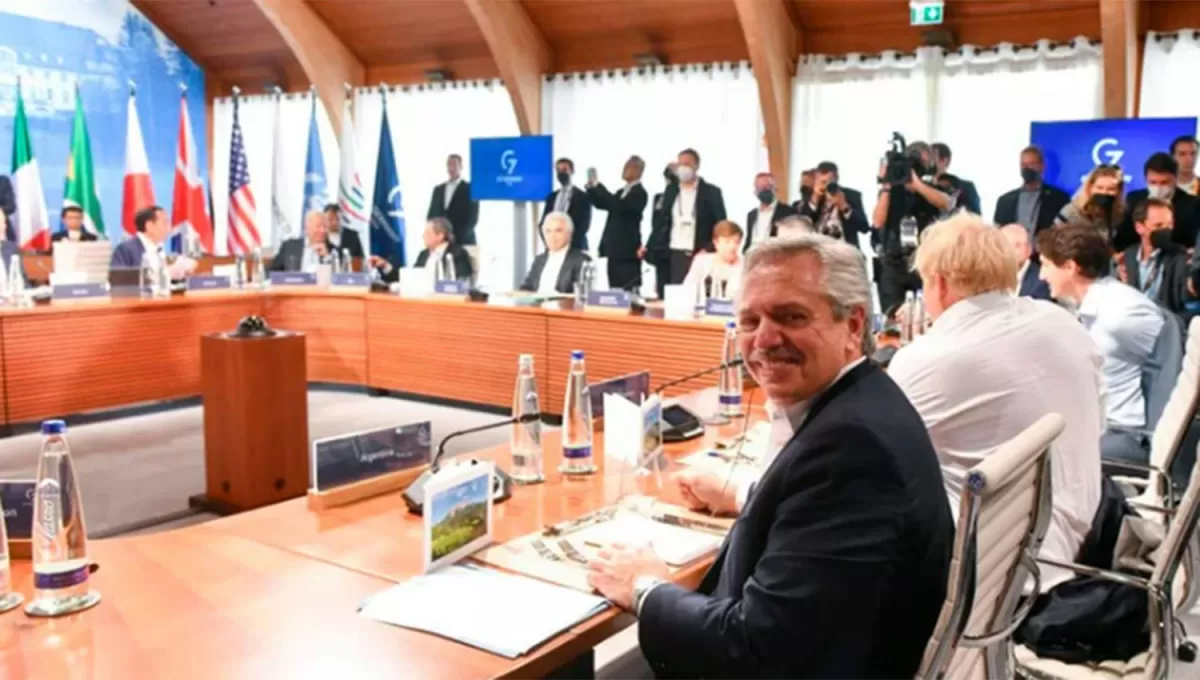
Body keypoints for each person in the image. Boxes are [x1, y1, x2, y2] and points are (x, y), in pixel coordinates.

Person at [590, 234, 953, 678]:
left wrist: (644, 586)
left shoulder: (851, 451)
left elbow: (754, 648)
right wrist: (745, 495)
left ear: (854, 326)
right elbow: (823, 527)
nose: (763, 339)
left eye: (790, 316)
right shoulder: (866, 399)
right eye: (749, 320)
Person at [889, 213, 1102, 589]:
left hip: (997, 578)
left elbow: (871, 462)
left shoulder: (929, 358)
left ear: (938, 282)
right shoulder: (1061, 320)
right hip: (1086, 535)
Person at [1038, 223, 1165, 465]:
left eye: (1046, 265)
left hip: (1126, 433)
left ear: (1070, 266)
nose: (1042, 275)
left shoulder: (1122, 313)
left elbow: (1172, 366)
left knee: (1046, 461)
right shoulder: (1090, 305)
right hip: (1099, 425)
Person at [871, 140, 951, 314]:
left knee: (927, 315)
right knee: (892, 317)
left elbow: (946, 203)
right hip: (893, 263)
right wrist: (886, 186)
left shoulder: (931, 190)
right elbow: (877, 221)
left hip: (924, 264)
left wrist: (918, 186)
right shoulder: (890, 193)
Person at [646, 148, 727, 286]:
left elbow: (720, 224)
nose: (683, 167)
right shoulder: (671, 191)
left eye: (687, 163)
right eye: (680, 164)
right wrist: (649, 245)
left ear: (697, 166)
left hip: (699, 253)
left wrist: (708, 248)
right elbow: (661, 222)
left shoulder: (711, 192)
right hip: (672, 252)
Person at [1117, 198, 1190, 318]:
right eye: (1159, 225)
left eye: (1169, 224)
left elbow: (1185, 305)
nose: (1166, 229)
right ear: (1140, 228)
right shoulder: (1129, 255)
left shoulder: (1179, 256)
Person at [1113, 152, 1200, 251]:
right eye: (1153, 182)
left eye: (1164, 182)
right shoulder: (1133, 199)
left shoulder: (1192, 204)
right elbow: (1124, 237)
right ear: (1146, 179)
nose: (1158, 187)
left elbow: (1194, 242)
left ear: (1175, 179)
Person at [587, 155, 648, 290]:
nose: (624, 170)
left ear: (638, 170)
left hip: (627, 250)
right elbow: (604, 204)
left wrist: (599, 187)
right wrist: (592, 189)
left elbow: (619, 205)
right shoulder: (621, 191)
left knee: (627, 287)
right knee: (614, 287)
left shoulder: (639, 193)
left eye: (628, 167)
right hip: (613, 248)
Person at [993, 145, 1071, 241]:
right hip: (1011, 254)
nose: (1027, 169)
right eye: (1023, 165)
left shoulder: (1059, 199)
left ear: (1042, 166)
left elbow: (1065, 233)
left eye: (1031, 164)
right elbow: (997, 234)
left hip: (1044, 253)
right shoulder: (1005, 201)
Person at [369, 217, 474, 285]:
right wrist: (385, 265)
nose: (423, 236)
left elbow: (460, 281)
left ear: (440, 236)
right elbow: (409, 279)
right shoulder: (423, 254)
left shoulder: (458, 253)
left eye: (427, 233)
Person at [111, 205, 197, 279]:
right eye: (165, 223)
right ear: (149, 226)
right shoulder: (125, 249)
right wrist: (166, 274)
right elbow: (119, 280)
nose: (169, 228)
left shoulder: (159, 248)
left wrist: (183, 272)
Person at [519, 212, 590, 294]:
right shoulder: (539, 260)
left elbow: (582, 294)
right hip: (536, 306)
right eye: (548, 231)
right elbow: (527, 287)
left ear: (569, 233)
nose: (552, 236)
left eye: (558, 231)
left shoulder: (581, 260)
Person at [800, 161, 868, 247]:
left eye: (829, 182)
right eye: (823, 182)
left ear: (837, 178)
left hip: (845, 251)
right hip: (818, 250)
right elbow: (802, 225)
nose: (825, 186)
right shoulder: (810, 196)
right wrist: (815, 199)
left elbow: (864, 228)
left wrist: (845, 207)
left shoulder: (852, 196)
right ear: (816, 179)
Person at [1056, 164, 1125, 247]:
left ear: (1118, 191)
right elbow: (1054, 240)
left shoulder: (1119, 213)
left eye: (1111, 189)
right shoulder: (1072, 211)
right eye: (1099, 188)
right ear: (1090, 187)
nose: (1104, 192)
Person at [426, 154, 480, 259]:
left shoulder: (470, 189)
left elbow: (472, 219)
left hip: (464, 243)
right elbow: (432, 215)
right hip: (441, 244)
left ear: (461, 167)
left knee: (465, 272)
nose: (451, 168)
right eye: (449, 165)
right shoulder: (438, 189)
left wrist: (455, 236)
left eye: (454, 165)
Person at [682, 220, 743, 300]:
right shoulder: (702, 262)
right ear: (716, 242)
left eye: (736, 242)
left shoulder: (746, 265)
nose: (732, 246)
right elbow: (686, 290)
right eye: (727, 242)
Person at [540, 157, 591, 251]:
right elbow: (543, 222)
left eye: (564, 169)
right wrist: (548, 242)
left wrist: (566, 243)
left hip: (575, 248)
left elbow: (583, 226)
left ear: (572, 171)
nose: (561, 173)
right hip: (552, 248)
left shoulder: (582, 197)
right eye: (558, 170)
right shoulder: (552, 197)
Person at [646, 162, 678, 298]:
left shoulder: (683, 196)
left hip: (676, 248)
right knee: (662, 288)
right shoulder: (659, 198)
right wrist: (648, 246)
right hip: (660, 247)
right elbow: (656, 225)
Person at [743, 172, 796, 250]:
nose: (764, 190)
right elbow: (748, 242)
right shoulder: (751, 215)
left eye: (768, 186)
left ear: (776, 189)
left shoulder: (788, 212)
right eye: (760, 187)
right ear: (755, 192)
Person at [1000, 224, 1051, 300]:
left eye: (1017, 245)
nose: (1012, 251)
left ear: (1029, 249)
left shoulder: (1042, 281)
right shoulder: (989, 274)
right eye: (1005, 245)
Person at [932, 143, 981, 215]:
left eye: (932, 158)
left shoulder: (966, 187)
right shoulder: (920, 186)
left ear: (944, 160)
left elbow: (975, 216)